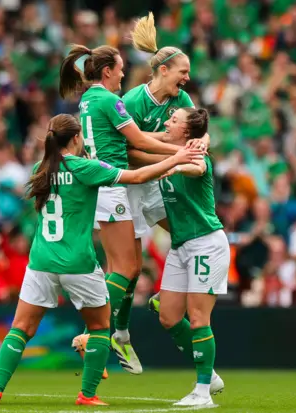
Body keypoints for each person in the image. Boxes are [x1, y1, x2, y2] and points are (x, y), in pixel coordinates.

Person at [0, 114, 202, 407]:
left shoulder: (42, 168)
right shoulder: (85, 168)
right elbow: (138, 176)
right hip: (77, 263)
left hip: (41, 261)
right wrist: (177, 158)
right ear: (77, 138)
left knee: (20, 328)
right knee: (101, 328)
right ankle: (87, 395)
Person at [59, 44, 187, 374]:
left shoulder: (88, 99)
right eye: (119, 69)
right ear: (106, 72)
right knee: (127, 269)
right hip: (113, 186)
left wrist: (169, 144)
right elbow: (139, 142)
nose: (123, 75)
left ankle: (106, 336)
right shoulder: (109, 100)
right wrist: (177, 153)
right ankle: (93, 334)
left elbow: (141, 136)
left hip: (102, 185)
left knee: (122, 267)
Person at [109, 12, 211, 372]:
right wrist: (174, 153)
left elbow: (199, 128)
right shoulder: (134, 101)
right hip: (133, 186)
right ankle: (119, 333)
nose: (187, 77)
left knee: (187, 231)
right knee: (131, 267)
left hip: (157, 182)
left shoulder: (180, 98)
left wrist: (198, 145)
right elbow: (130, 151)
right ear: (163, 69)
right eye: (182, 71)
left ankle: (166, 298)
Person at [133, 108, 228, 406]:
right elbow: (136, 143)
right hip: (180, 245)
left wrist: (177, 166)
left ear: (188, 132)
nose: (167, 122)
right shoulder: (168, 153)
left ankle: (202, 392)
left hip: (206, 244)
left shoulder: (197, 153)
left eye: (174, 121)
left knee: (199, 318)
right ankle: (210, 374)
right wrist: (171, 161)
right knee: (168, 315)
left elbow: (198, 167)